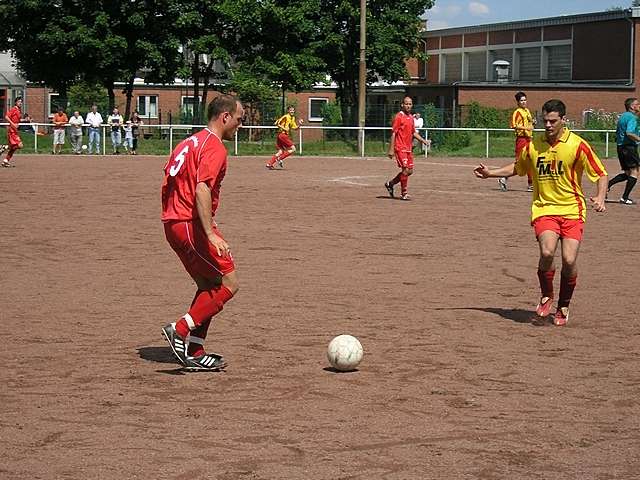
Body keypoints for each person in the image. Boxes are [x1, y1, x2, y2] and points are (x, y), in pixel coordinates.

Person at [473, 99, 608, 326]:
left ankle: (564, 304)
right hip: (544, 208)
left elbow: (600, 173)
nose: (547, 125)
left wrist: (601, 196)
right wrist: (491, 173)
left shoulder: (577, 145)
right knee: (547, 253)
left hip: (572, 209)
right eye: (544, 120)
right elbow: (518, 167)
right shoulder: (534, 145)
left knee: (569, 258)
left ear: (563, 121)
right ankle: (547, 295)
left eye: (552, 121)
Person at [160, 94, 244, 371]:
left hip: (173, 223)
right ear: (225, 117)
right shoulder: (215, 147)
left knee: (208, 286)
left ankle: (194, 349)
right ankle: (180, 330)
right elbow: (201, 188)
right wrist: (209, 233)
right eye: (239, 120)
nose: (240, 126)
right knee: (229, 283)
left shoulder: (188, 142)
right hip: (189, 223)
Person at [384, 96, 431, 200]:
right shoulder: (399, 117)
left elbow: (413, 132)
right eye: (406, 104)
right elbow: (394, 133)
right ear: (402, 105)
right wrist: (391, 149)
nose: (408, 106)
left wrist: (423, 141)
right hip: (400, 147)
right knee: (405, 170)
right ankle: (404, 193)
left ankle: (390, 184)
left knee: (410, 171)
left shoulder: (411, 118)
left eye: (410, 104)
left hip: (408, 148)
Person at [499, 91, 535, 192]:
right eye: (521, 100)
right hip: (522, 139)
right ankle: (503, 177)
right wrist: (526, 128)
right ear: (518, 102)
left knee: (531, 161)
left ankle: (531, 184)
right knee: (520, 162)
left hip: (529, 139)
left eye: (525, 100)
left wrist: (532, 124)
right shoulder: (517, 112)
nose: (524, 102)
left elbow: (530, 123)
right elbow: (513, 125)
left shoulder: (527, 111)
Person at [607, 97, 640, 205]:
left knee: (628, 173)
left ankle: (608, 184)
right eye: (637, 104)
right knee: (634, 171)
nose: (639, 106)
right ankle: (625, 198)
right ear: (632, 106)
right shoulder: (632, 118)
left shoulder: (623, 117)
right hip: (629, 147)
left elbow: (619, 132)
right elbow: (629, 133)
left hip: (621, 147)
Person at [266, 105, 303, 169]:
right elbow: (276, 123)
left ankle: (269, 163)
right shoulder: (286, 116)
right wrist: (284, 128)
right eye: (291, 110)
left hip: (281, 136)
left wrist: (299, 124)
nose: (292, 111)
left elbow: (295, 128)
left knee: (281, 151)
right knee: (293, 149)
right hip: (283, 135)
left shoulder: (293, 118)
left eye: (293, 110)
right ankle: (280, 158)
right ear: (288, 111)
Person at [1, 96, 23, 167]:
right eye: (19, 102)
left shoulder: (19, 110)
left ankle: (5, 160)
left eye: (21, 102)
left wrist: (25, 120)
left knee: (14, 147)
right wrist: (13, 124)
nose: (20, 103)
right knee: (20, 145)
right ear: (16, 102)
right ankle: (5, 147)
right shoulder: (14, 109)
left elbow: (18, 120)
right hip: (12, 130)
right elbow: (6, 117)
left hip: (15, 130)